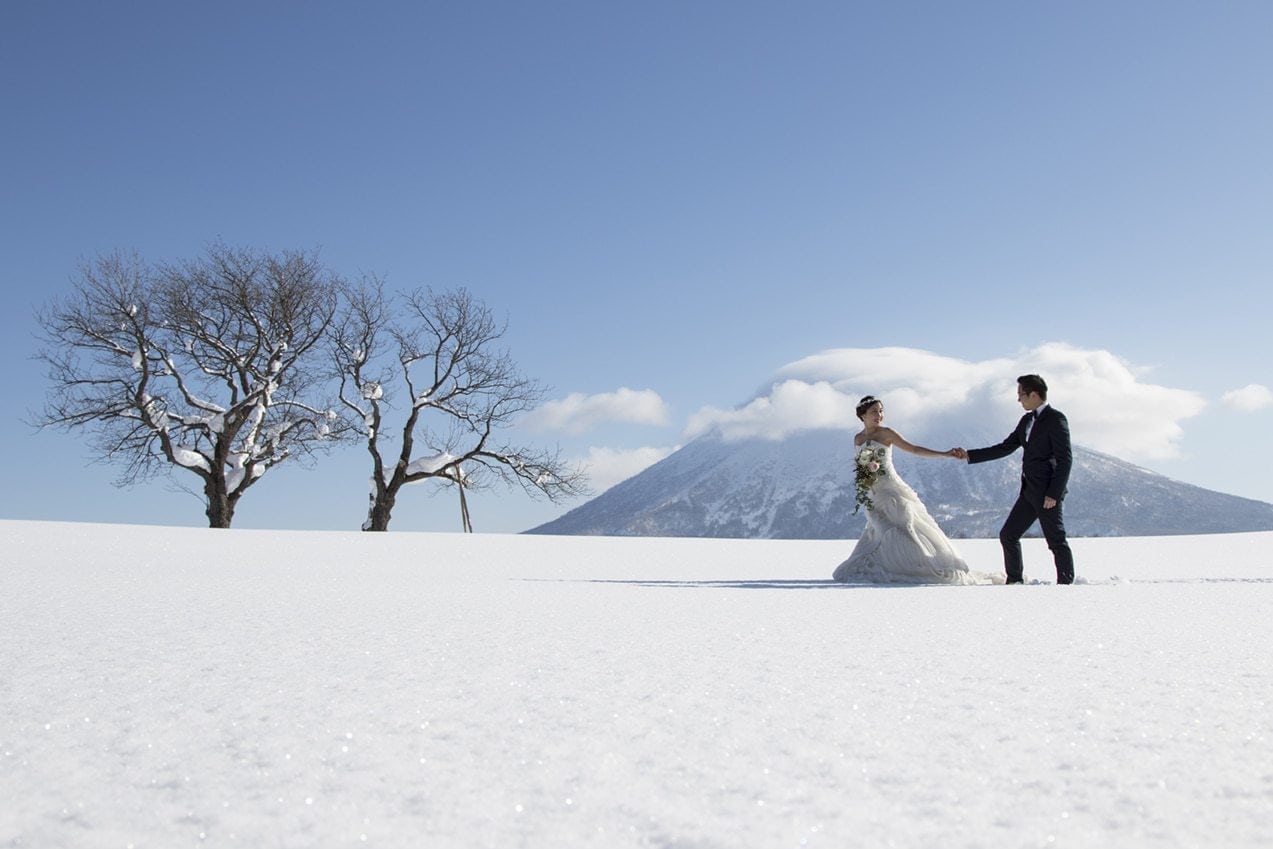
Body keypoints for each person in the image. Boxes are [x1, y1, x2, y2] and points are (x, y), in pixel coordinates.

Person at [833, 395, 986, 584]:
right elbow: (863, 467)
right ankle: (891, 566)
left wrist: (944, 454)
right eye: (874, 411)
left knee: (905, 529)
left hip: (891, 490)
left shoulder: (886, 433)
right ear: (862, 415)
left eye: (881, 411)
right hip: (874, 493)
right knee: (880, 532)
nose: (879, 415)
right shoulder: (858, 439)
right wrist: (868, 473)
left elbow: (913, 449)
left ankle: (922, 567)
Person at [953, 374, 1074, 584]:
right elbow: (1005, 447)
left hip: (1047, 494)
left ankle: (1066, 584)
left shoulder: (1056, 419)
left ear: (1034, 394)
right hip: (1029, 492)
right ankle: (1014, 581)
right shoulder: (1027, 420)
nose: (1019, 400)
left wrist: (1054, 493)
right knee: (1008, 535)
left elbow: (1065, 460)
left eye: (1021, 394)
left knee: (1056, 540)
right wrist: (969, 455)